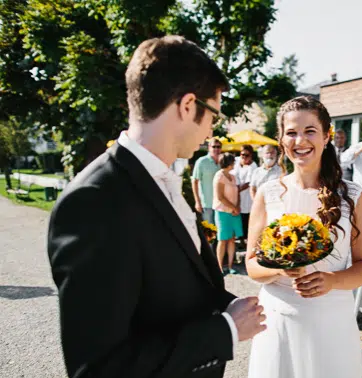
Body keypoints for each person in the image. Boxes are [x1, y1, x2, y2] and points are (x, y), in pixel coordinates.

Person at [46, 36, 265, 378]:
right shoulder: (94, 201)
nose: (212, 130)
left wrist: (227, 305)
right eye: (214, 117)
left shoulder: (164, 180)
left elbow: (176, 284)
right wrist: (226, 331)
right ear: (188, 105)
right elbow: (98, 368)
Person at [245, 96, 362, 377]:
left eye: (310, 131)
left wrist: (333, 280)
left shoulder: (353, 197)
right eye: (291, 133)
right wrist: (280, 266)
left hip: (331, 322)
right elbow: (251, 266)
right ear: (280, 139)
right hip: (277, 319)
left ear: (327, 136)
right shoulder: (268, 194)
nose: (300, 141)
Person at [214, 152, 243, 275]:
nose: (235, 163)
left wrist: (237, 207)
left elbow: (237, 193)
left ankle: (230, 266)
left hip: (234, 212)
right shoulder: (219, 176)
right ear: (229, 163)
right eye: (233, 161)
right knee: (222, 240)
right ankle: (220, 268)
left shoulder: (233, 177)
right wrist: (233, 207)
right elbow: (220, 197)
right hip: (223, 212)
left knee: (231, 239)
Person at [232, 144, 258, 245]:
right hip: (235, 196)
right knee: (236, 218)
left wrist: (236, 190)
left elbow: (248, 183)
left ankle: (246, 241)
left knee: (245, 219)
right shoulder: (236, 161)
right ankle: (239, 239)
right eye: (242, 154)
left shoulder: (253, 166)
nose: (244, 157)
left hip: (246, 197)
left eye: (247, 155)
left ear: (251, 155)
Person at [193, 137, 223, 224]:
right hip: (207, 203)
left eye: (218, 147)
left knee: (220, 233)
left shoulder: (223, 161)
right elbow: (194, 182)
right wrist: (197, 202)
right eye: (214, 146)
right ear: (209, 147)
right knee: (209, 232)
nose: (216, 149)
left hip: (221, 203)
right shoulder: (201, 161)